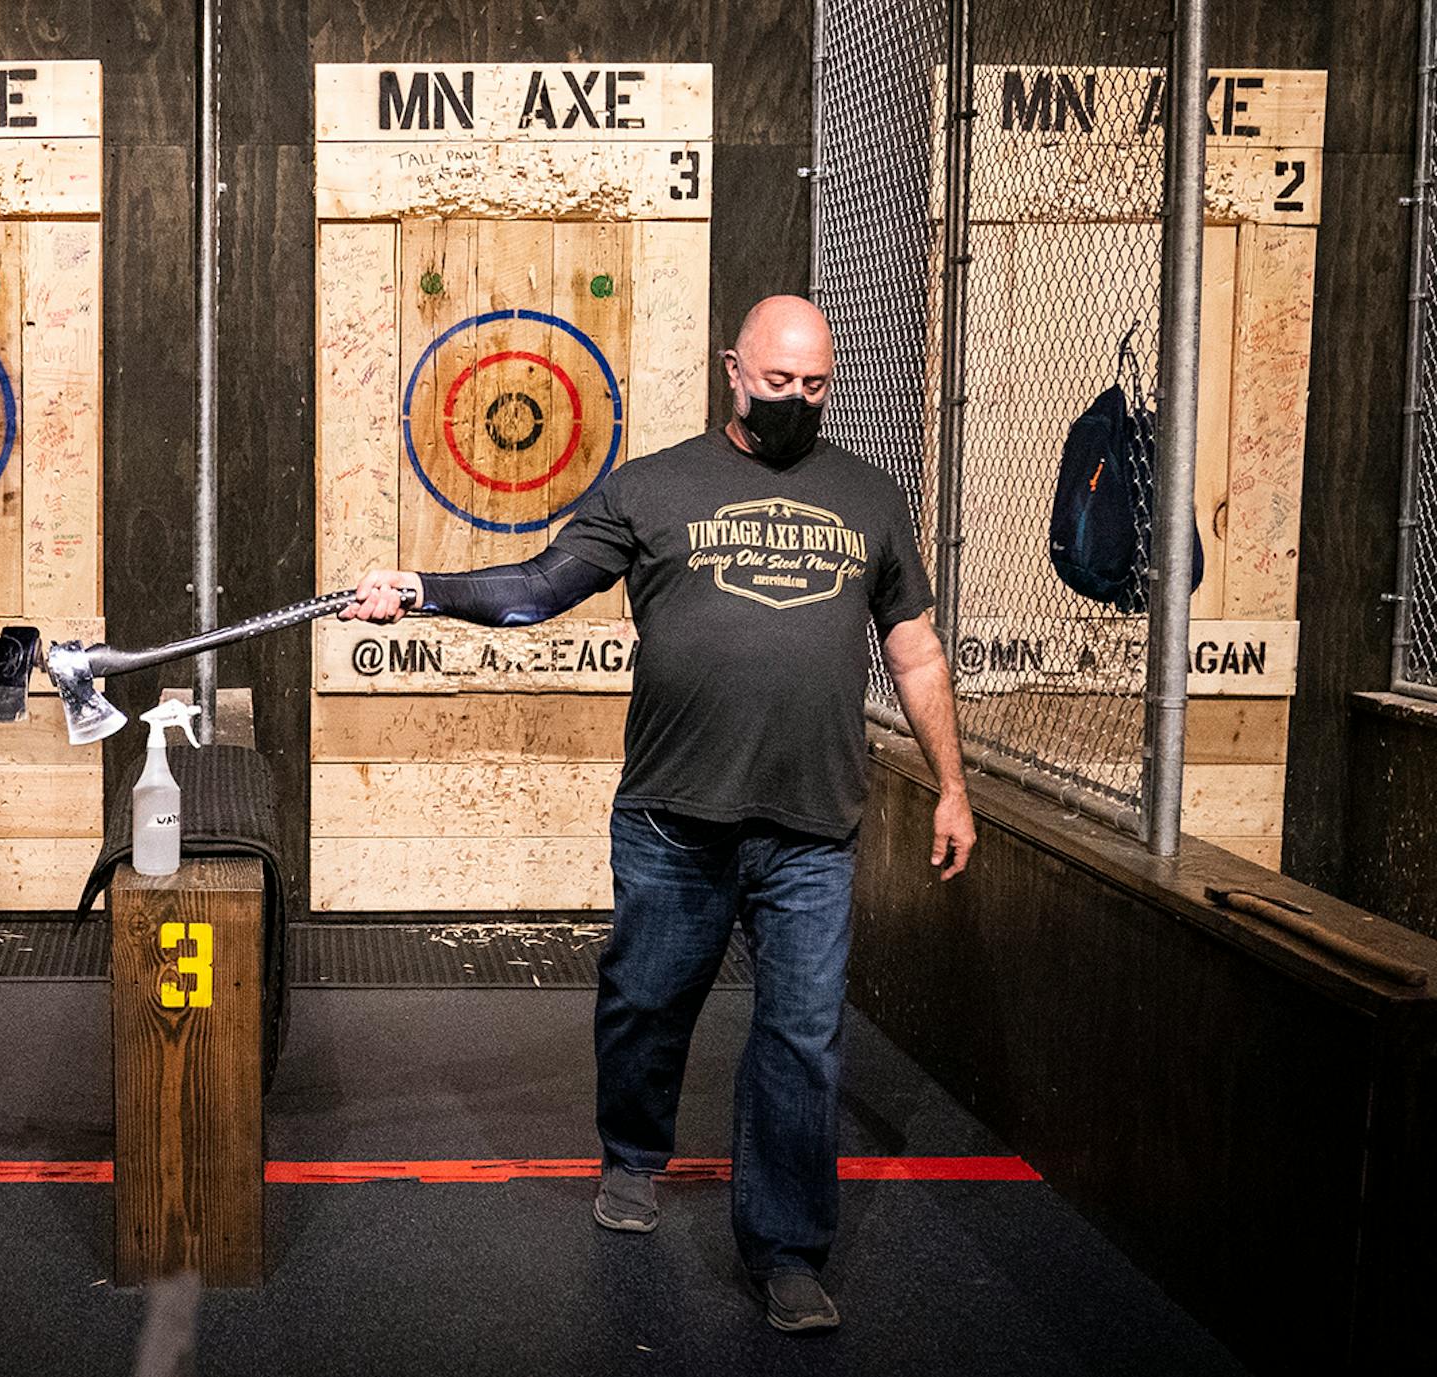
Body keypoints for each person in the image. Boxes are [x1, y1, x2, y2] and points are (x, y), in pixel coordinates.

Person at [342, 294, 974, 1332]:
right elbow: (540, 588)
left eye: (816, 387)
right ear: (734, 368)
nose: (797, 403)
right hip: (674, 819)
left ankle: (787, 1250)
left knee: (804, 1038)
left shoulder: (870, 496)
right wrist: (424, 588)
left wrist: (954, 784)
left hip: (812, 826)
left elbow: (914, 650)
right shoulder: (654, 486)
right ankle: (633, 1154)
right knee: (645, 1002)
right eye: (778, 383)